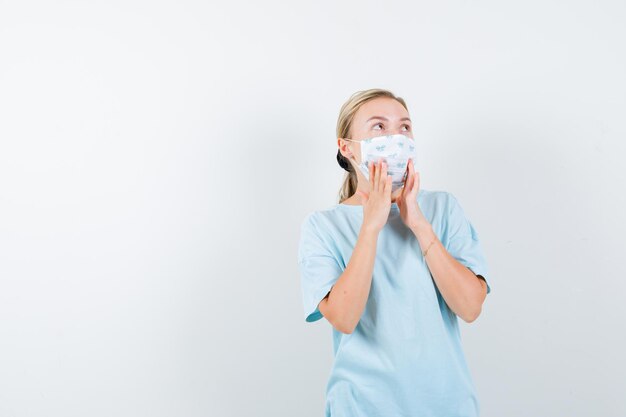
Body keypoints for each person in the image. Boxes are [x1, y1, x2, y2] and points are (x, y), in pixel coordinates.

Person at [297, 88, 492, 416]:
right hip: (361, 406)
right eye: (379, 127)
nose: (396, 137)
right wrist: (371, 226)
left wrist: (417, 222)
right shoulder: (322, 227)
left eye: (404, 127)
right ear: (346, 148)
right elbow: (344, 318)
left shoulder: (442, 208)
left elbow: (471, 307)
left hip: (447, 404)